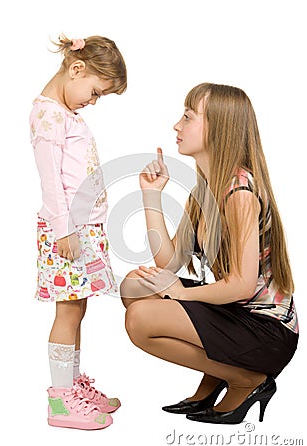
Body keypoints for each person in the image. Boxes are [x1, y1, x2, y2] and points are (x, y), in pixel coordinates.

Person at [120, 83, 299, 424]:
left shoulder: (240, 192)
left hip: (266, 330)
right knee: (133, 286)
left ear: (218, 127)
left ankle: (246, 379)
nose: (177, 125)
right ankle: (216, 375)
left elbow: (242, 286)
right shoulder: (206, 187)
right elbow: (169, 262)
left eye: (187, 117)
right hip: (235, 314)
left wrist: (178, 294)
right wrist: (151, 195)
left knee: (141, 318)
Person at [30, 34, 127, 430]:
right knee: (68, 310)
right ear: (76, 69)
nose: (93, 101)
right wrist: (63, 229)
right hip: (67, 230)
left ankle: (71, 386)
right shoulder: (48, 114)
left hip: (83, 229)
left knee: (78, 307)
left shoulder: (65, 114)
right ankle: (60, 404)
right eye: (95, 92)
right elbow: (50, 179)